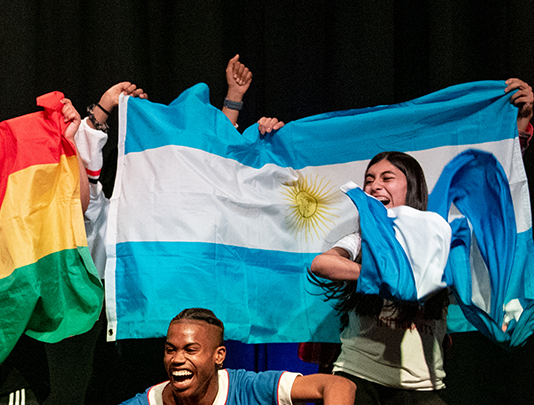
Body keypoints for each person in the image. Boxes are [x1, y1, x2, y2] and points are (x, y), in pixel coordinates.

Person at [309, 151, 448, 405]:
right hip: (358, 379)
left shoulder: (437, 242)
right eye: (369, 180)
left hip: (421, 388)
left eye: (387, 178)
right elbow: (321, 264)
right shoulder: (360, 241)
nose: (374, 186)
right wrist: (379, 278)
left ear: (412, 187)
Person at [120, 308, 355, 405]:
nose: (177, 359)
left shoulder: (248, 389)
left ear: (218, 356)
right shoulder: (147, 402)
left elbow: (339, 385)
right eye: (170, 350)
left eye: (191, 350)